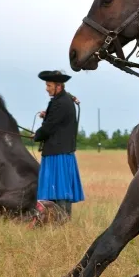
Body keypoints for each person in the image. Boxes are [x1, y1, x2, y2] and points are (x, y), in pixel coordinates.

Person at [33, 70, 84, 222]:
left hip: (57, 153)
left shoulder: (59, 103)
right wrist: (46, 115)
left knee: (59, 189)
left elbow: (49, 127)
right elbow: (55, 121)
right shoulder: (63, 100)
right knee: (59, 188)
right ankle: (56, 220)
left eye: (49, 85)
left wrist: (37, 135)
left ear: (58, 86)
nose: (46, 88)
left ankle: (61, 221)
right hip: (60, 150)